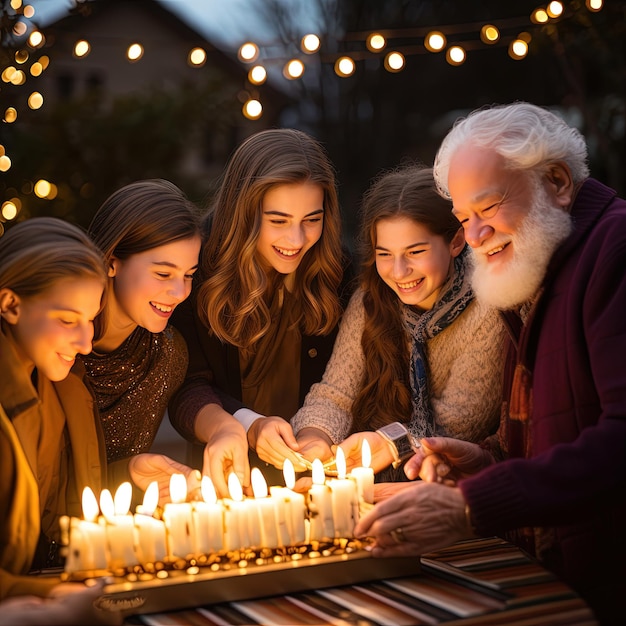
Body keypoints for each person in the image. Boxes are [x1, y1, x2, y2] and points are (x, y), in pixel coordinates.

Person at [354, 102, 626, 625]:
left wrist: (473, 505)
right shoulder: (537, 268)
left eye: (489, 206)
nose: (475, 236)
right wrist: (488, 461)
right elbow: (561, 430)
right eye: (463, 218)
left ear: (557, 181)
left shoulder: (614, 251)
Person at [290, 165, 506, 481]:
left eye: (415, 252)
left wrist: (390, 442)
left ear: (456, 242)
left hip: (452, 482)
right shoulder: (370, 299)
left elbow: (460, 422)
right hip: (372, 473)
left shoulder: (487, 307)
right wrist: (316, 437)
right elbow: (334, 394)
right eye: (385, 254)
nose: (399, 271)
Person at [169, 128, 352, 495]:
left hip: (313, 485)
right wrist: (249, 424)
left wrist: (318, 433)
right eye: (279, 220)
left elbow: (347, 383)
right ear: (244, 210)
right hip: (227, 483)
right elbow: (184, 386)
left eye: (311, 220)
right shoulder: (196, 269)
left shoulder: (339, 272)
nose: (296, 240)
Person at [0, 217, 121, 624]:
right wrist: (56, 596)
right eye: (68, 320)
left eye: (91, 319)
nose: (86, 343)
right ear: (10, 304)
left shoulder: (61, 395)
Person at [81, 179, 204, 501]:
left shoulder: (165, 354)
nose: (179, 293)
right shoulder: (57, 342)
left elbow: (101, 479)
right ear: (111, 262)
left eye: (188, 275)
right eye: (163, 274)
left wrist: (133, 472)